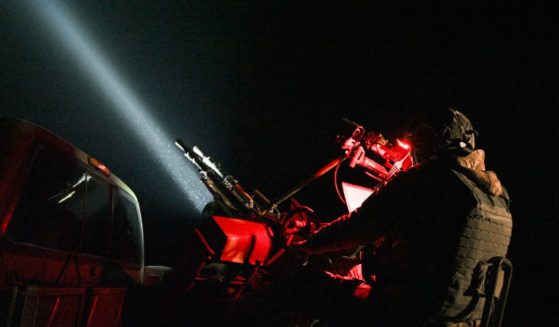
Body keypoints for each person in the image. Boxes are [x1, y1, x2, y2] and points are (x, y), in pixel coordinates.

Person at [296, 108, 513, 326]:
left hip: (407, 313)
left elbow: (359, 226)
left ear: (432, 141)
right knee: (349, 267)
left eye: (420, 139)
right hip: (463, 319)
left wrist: (308, 245)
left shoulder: (426, 180)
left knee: (307, 284)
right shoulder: (494, 193)